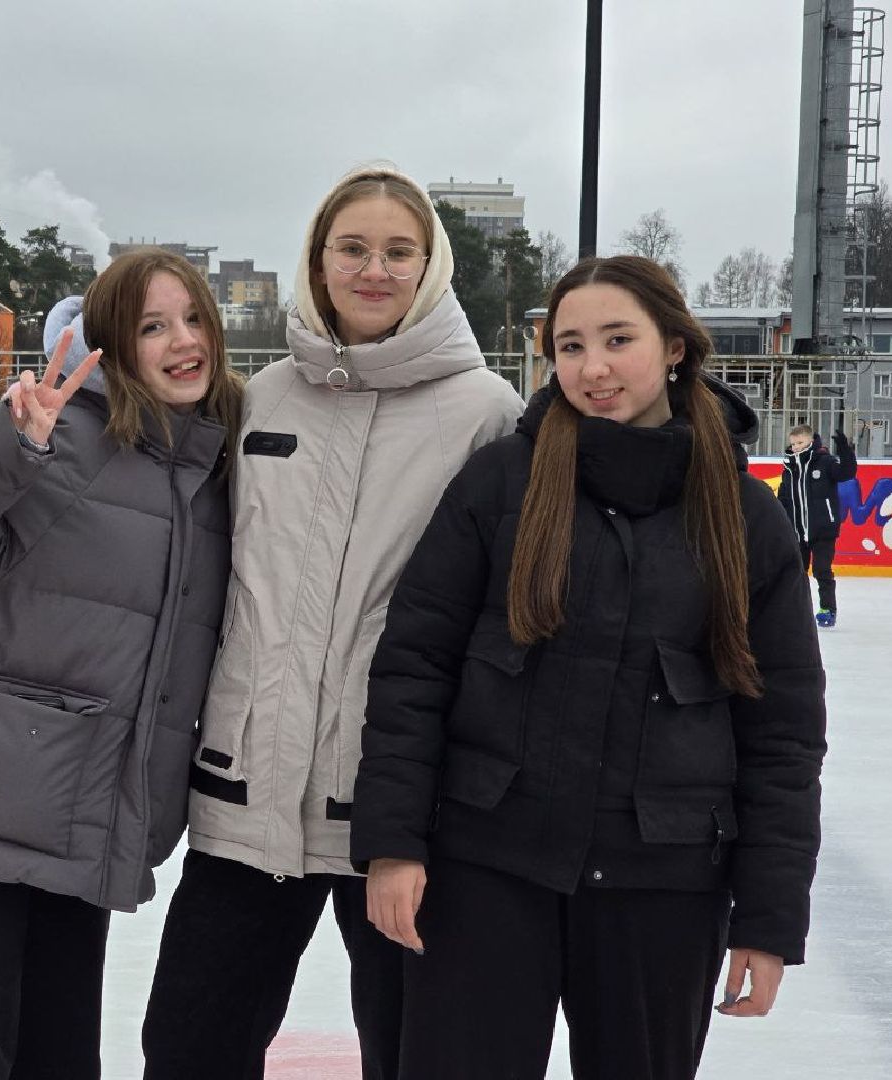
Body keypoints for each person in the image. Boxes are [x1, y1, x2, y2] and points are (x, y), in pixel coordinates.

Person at [350, 255, 828, 1079]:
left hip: (665, 887)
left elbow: (782, 735)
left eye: (617, 339)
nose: (592, 367)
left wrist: (768, 919)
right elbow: (413, 668)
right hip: (489, 868)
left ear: (675, 346)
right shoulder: (501, 481)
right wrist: (394, 842)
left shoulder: (744, 518)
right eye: (569, 346)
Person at [141, 166, 525, 1080]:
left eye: (400, 251)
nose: (374, 269)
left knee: (415, 1055)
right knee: (188, 1048)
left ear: (431, 267)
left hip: (397, 821)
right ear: (318, 259)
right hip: (245, 805)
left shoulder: (488, 415)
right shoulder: (259, 400)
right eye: (352, 247)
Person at [0, 249, 243, 1079]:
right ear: (109, 345)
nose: (182, 342)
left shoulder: (209, 469)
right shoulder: (53, 439)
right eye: (151, 326)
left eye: (194, 317)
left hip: (82, 823)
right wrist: (4, 446)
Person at [778, 423, 857, 628]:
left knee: (822, 570)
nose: (795, 447)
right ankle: (797, 610)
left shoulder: (825, 462)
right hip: (797, 531)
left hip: (823, 530)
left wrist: (845, 450)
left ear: (810, 441)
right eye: (793, 443)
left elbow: (847, 473)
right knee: (797, 573)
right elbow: (784, 498)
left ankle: (828, 609)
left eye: (800, 442)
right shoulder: (789, 467)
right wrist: (782, 523)